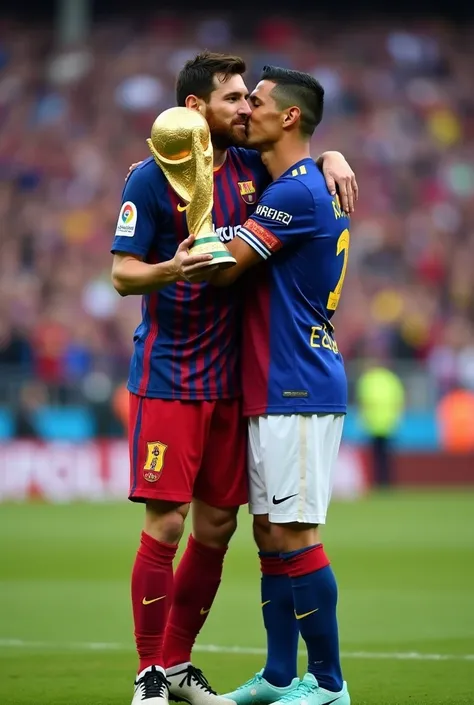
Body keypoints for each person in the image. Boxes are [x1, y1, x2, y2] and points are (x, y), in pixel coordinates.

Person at [111, 52, 357, 705]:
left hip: (235, 384)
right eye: (234, 99)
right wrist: (173, 267)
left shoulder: (251, 168)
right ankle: (149, 676)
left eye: (252, 99)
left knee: (220, 530)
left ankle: (179, 663)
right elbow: (121, 274)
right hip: (169, 374)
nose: (246, 109)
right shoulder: (148, 177)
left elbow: (295, 154)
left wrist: (330, 156)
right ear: (196, 108)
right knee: (166, 527)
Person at [183, 66, 352, 705]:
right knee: (269, 533)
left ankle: (330, 684)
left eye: (256, 101)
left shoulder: (298, 192)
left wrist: (185, 231)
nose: (245, 109)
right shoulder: (296, 182)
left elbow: (224, 270)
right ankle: (280, 676)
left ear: (287, 118)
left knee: (297, 534)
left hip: (299, 386)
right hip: (270, 383)